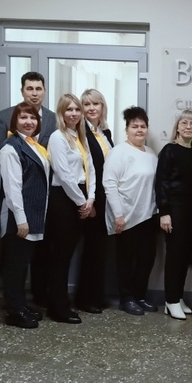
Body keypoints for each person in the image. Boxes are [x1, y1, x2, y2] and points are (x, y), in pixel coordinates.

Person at [0, 72, 57, 309]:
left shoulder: (52, 119)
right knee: (15, 257)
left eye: (38, 88)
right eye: (30, 88)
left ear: (44, 91)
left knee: (34, 254)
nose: (34, 93)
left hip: (39, 199)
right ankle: (13, 304)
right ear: (22, 91)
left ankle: (31, 300)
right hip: (18, 199)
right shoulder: (7, 126)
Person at [0, 103, 50, 329]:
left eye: (33, 118)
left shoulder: (33, 145)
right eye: (23, 118)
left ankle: (20, 304)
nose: (29, 122)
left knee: (22, 264)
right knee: (14, 265)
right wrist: (21, 219)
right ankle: (14, 311)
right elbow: (12, 188)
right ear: (14, 122)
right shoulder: (11, 148)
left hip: (32, 215)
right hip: (18, 217)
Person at [44, 94, 95, 324]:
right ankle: (58, 307)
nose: (73, 113)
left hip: (81, 195)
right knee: (60, 256)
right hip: (64, 199)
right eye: (69, 110)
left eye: (76, 109)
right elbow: (64, 175)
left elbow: (90, 169)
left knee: (68, 253)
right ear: (61, 113)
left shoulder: (81, 136)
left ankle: (61, 302)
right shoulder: (58, 137)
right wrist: (82, 202)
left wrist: (91, 198)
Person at [103, 106, 158, 315]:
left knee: (146, 259)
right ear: (126, 129)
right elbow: (109, 184)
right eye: (134, 126)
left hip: (148, 216)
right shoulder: (118, 152)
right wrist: (118, 215)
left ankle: (140, 296)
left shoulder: (151, 153)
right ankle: (126, 298)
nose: (139, 130)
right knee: (126, 260)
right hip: (126, 217)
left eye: (143, 126)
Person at [155, 110, 192, 320]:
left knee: (184, 255)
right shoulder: (169, 150)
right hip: (174, 209)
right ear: (177, 127)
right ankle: (170, 300)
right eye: (184, 123)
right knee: (175, 255)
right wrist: (164, 212)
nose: (188, 127)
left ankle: (178, 297)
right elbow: (161, 182)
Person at [78, 88, 114, 313]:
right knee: (90, 251)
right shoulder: (80, 133)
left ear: (102, 107)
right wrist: (88, 201)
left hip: (104, 199)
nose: (91, 108)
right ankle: (85, 299)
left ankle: (96, 296)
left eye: (96, 104)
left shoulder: (105, 133)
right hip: (90, 199)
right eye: (87, 104)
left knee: (99, 250)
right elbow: (83, 169)